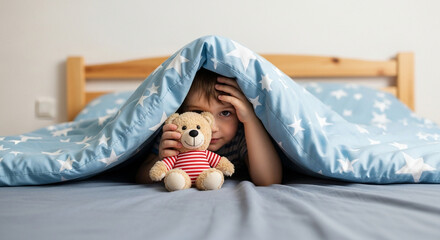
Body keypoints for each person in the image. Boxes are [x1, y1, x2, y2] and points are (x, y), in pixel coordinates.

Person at [136, 68, 282, 186]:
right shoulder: (176, 137)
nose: (212, 128)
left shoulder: (239, 138)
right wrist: (161, 158)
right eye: (198, 112)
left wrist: (250, 119)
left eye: (225, 113)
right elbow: (140, 178)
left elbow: (268, 180)